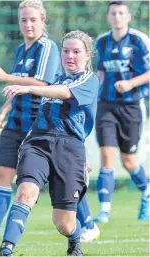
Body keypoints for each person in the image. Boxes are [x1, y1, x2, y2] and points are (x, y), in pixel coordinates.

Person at [0, 0, 61, 247]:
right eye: (24, 19)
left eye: (33, 19)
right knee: (0, 173)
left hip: (39, 124)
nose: (28, 24)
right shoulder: (21, 50)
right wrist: (3, 111)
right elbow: (19, 88)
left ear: (43, 20)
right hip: (15, 122)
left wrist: (6, 76)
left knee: (61, 178)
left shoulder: (46, 47)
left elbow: (44, 85)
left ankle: (87, 224)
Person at [0, 30, 99, 257]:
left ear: (88, 55)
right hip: (38, 143)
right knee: (25, 193)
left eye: (76, 51)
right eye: (65, 51)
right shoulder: (55, 79)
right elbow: (45, 90)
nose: (69, 56)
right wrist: (5, 109)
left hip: (69, 148)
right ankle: (6, 250)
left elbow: (64, 93)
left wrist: (28, 87)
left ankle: (75, 240)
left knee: (64, 223)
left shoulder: (89, 80)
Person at [94, 1, 149, 224]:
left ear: (128, 16)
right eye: (113, 13)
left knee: (128, 161)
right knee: (107, 156)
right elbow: (99, 72)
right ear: (108, 17)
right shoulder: (102, 42)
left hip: (131, 105)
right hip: (106, 105)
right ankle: (104, 211)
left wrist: (130, 84)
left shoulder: (139, 40)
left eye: (121, 13)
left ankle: (146, 193)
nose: (117, 16)